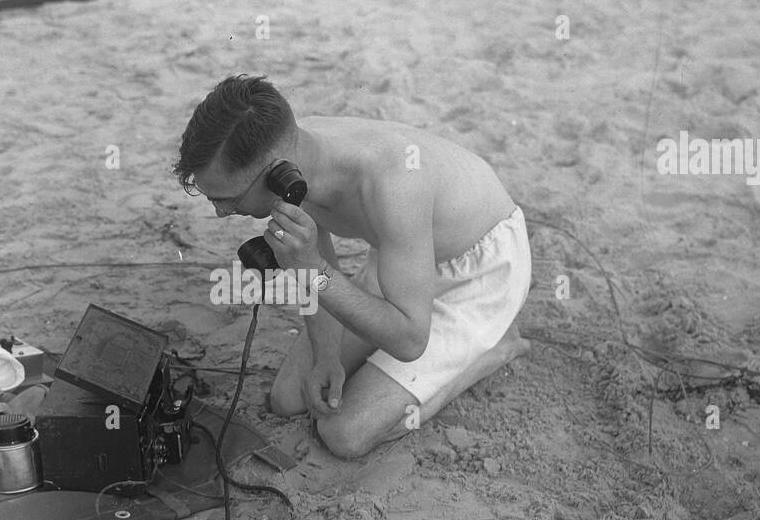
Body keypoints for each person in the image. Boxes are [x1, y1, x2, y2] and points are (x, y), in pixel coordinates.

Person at [173, 74, 531, 459]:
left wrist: (310, 270)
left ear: (278, 172)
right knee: (289, 399)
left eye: (227, 199)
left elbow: (410, 339)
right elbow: (319, 261)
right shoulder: (298, 155)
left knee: (345, 434)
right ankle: (433, 356)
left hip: (477, 271)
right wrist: (326, 356)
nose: (221, 211)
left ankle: (495, 347)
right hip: (405, 258)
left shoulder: (394, 184)